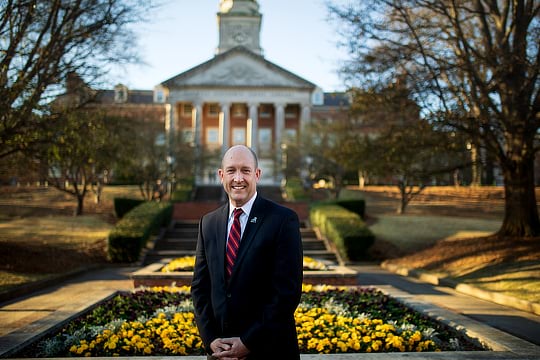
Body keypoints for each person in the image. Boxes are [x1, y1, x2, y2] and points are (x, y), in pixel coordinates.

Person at [191, 145, 303, 360]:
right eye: (231, 170)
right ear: (221, 175)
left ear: (257, 175)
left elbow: (286, 293)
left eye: (245, 170)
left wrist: (247, 342)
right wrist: (211, 339)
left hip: (270, 351)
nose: (238, 178)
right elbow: (200, 288)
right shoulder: (208, 223)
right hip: (220, 352)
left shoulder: (282, 220)